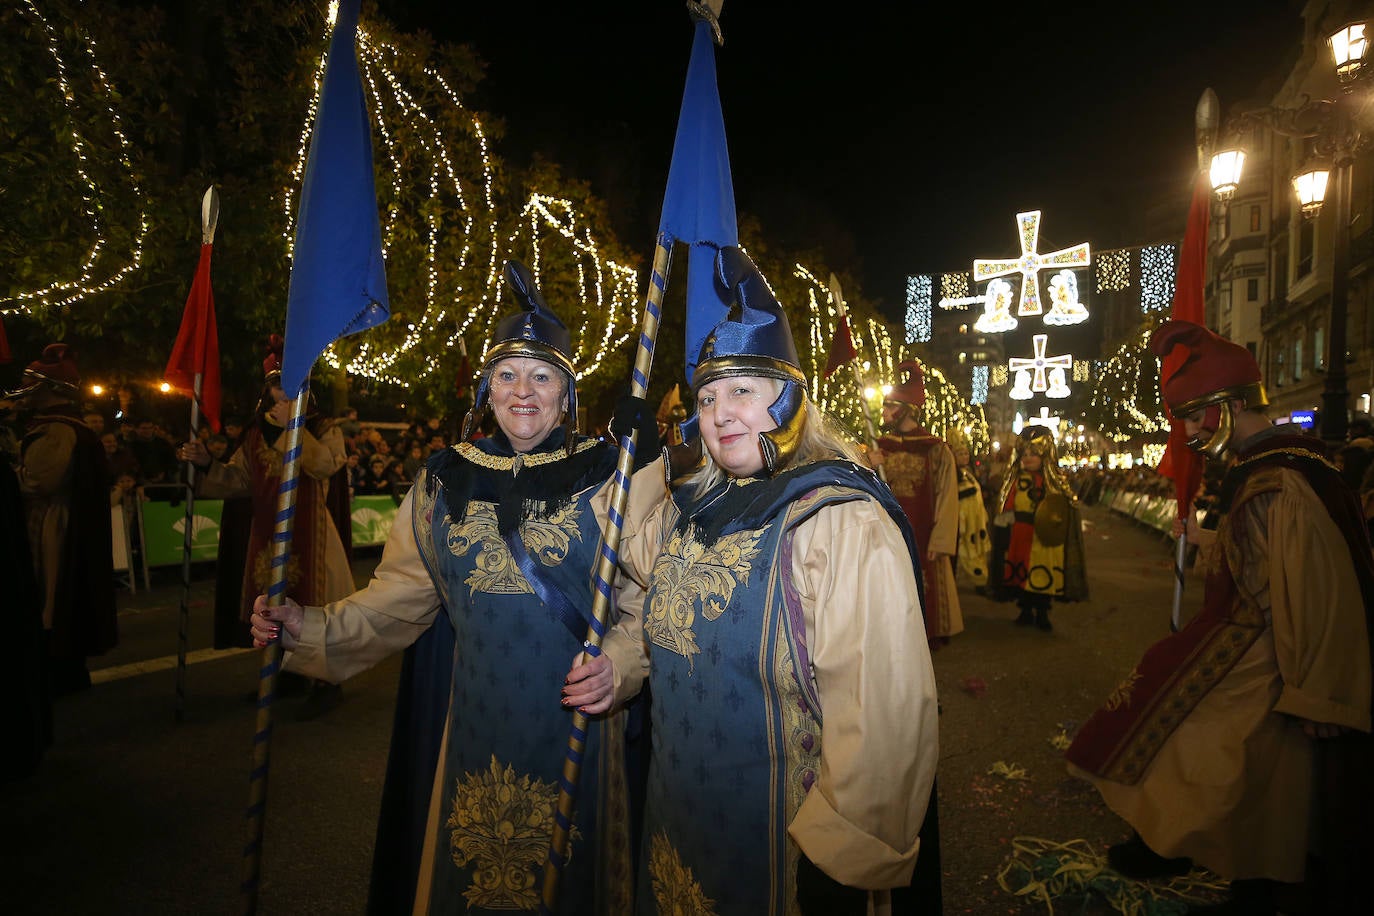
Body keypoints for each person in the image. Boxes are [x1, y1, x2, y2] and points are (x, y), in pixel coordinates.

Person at [248, 260, 660, 915]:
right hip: (475, 728)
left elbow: (649, 604)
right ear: (486, 390)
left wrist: (622, 664)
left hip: (581, 733)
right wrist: (310, 626)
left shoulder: (614, 479)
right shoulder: (442, 484)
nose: (523, 392)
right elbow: (397, 600)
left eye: (542, 376)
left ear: (566, 393)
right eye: (507, 375)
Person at [612, 247, 940, 915]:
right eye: (707, 398)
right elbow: (625, 560)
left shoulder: (840, 520)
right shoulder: (692, 510)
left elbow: (883, 709)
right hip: (678, 824)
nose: (719, 413)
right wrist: (652, 462)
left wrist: (842, 856)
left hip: (784, 846)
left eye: (743, 391)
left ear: (790, 402)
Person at [1066, 321, 1374, 915]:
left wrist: (1320, 693)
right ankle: (1187, 849)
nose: (1187, 433)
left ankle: (1246, 881)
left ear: (1229, 405)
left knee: (1234, 766)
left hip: (1275, 661)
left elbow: (1312, 590)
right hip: (1255, 643)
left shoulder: (1281, 480)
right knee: (1213, 754)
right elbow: (1258, 560)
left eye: (1192, 416)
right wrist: (1205, 539)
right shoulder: (1269, 470)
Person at [180, 336, 352, 715]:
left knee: (318, 607)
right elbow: (238, 480)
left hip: (314, 536)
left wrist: (293, 429)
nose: (283, 393)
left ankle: (327, 681)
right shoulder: (256, 431)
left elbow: (325, 464)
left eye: (291, 385)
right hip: (268, 537)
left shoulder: (323, 427)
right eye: (278, 386)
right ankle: (286, 673)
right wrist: (206, 463)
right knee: (273, 605)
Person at [7, 344, 117, 695]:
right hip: (59, 519)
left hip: (51, 523)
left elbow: (38, 481)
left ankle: (58, 669)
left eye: (30, 383)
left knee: (51, 595)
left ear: (49, 388)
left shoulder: (57, 429)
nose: (23, 389)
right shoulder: (64, 426)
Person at [869, 360, 964, 648]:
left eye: (889, 406)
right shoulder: (879, 447)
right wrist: (868, 466)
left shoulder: (935, 449)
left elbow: (947, 496)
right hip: (889, 530)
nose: (884, 412)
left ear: (905, 410)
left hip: (923, 532)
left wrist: (941, 539)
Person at [988, 425, 1088, 631]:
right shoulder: (1015, 480)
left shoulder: (1055, 482)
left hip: (1045, 538)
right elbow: (1006, 505)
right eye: (1024, 454)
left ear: (1044, 455)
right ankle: (1025, 610)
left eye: (1033, 454)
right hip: (1021, 533)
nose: (1027, 458)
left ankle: (1042, 613)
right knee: (1022, 573)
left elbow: (1063, 509)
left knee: (1043, 574)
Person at [948, 427, 991, 590]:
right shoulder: (952, 474)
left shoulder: (969, 473)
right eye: (960, 454)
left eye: (966, 453)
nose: (965, 457)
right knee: (966, 549)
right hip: (963, 520)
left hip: (976, 519)